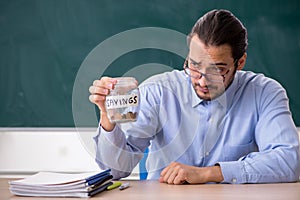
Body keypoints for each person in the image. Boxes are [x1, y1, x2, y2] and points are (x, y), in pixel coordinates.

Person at [89, 9, 300, 184]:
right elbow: (115, 172)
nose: (202, 80)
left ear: (240, 62)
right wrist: (108, 118)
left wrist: (211, 173)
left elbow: (290, 161)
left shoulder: (265, 93)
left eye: (217, 70)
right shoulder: (159, 91)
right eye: (194, 66)